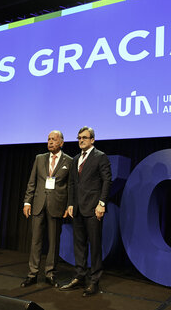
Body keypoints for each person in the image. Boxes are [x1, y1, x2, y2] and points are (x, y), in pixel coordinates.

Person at [60, 126, 112, 297]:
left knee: (95, 246)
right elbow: (73, 184)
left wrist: (102, 203)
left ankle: (94, 280)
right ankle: (80, 276)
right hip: (78, 208)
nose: (81, 140)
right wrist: (70, 204)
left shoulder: (100, 156)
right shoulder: (76, 159)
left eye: (84, 137)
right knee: (79, 245)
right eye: (79, 137)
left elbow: (106, 181)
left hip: (93, 208)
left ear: (92, 140)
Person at [21, 130, 73, 288]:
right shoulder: (39, 158)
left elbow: (70, 187)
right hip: (38, 204)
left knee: (54, 243)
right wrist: (27, 202)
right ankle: (33, 274)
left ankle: (50, 273)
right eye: (49, 139)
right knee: (36, 241)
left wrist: (68, 205)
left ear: (61, 143)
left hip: (57, 206)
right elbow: (32, 182)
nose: (50, 142)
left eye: (54, 139)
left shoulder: (69, 161)